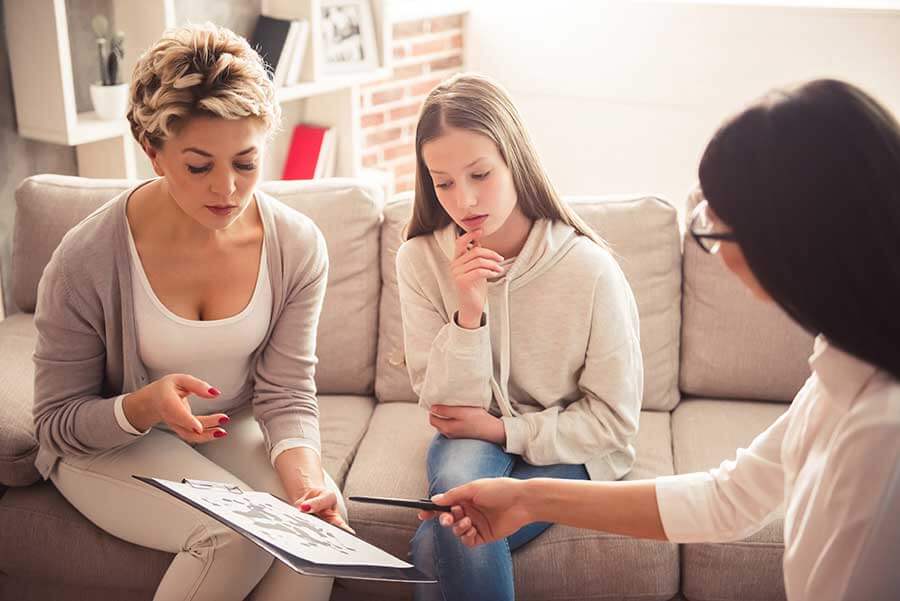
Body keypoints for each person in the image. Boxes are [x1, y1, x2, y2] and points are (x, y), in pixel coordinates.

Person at [422, 79, 900, 601]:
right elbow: (728, 500)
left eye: (717, 227)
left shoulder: (881, 432)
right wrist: (529, 497)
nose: (714, 249)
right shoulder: (840, 370)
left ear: (793, 240)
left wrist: (516, 457)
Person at [31, 23, 348, 601]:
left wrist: (307, 487)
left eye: (246, 163)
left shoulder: (296, 245)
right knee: (235, 536)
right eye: (199, 166)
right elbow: (55, 423)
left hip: (229, 427)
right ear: (153, 151)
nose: (227, 189)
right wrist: (143, 406)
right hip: (112, 439)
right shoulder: (86, 258)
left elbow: (286, 392)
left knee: (315, 532)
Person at [396, 73, 644, 601]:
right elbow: (443, 405)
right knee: (458, 511)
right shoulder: (419, 260)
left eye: (480, 174)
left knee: (442, 532)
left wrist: (503, 431)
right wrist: (468, 313)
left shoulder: (590, 270)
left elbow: (614, 420)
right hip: (468, 437)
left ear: (516, 159)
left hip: (572, 446)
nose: (463, 200)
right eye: (442, 182)